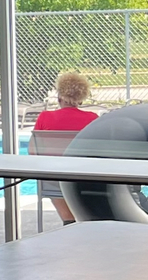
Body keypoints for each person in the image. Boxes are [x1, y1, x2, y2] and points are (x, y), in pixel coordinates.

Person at [34, 71, 100, 223]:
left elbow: (33, 150)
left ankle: (68, 220)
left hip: (53, 179)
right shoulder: (92, 119)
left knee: (53, 177)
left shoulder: (45, 117)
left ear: (59, 96)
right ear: (81, 99)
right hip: (83, 179)